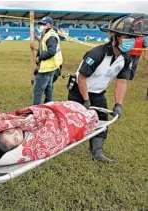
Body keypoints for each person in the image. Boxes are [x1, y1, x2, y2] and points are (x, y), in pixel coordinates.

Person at [67, 15, 145, 163]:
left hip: (98, 93)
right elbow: (82, 78)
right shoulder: (96, 54)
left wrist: (118, 104)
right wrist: (86, 100)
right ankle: (66, 142)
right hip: (79, 91)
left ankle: (97, 152)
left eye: (133, 38)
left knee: (102, 121)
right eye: (126, 37)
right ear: (114, 37)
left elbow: (122, 82)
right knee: (75, 119)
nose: (130, 41)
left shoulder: (126, 58)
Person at [30, 16, 63, 105]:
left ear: (48, 25)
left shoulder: (51, 36)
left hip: (46, 68)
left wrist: (39, 58)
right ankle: (49, 108)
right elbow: (43, 46)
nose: (41, 26)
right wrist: (36, 39)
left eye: (42, 24)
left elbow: (51, 51)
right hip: (51, 67)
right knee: (49, 90)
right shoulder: (48, 34)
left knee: (37, 91)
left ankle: (36, 111)